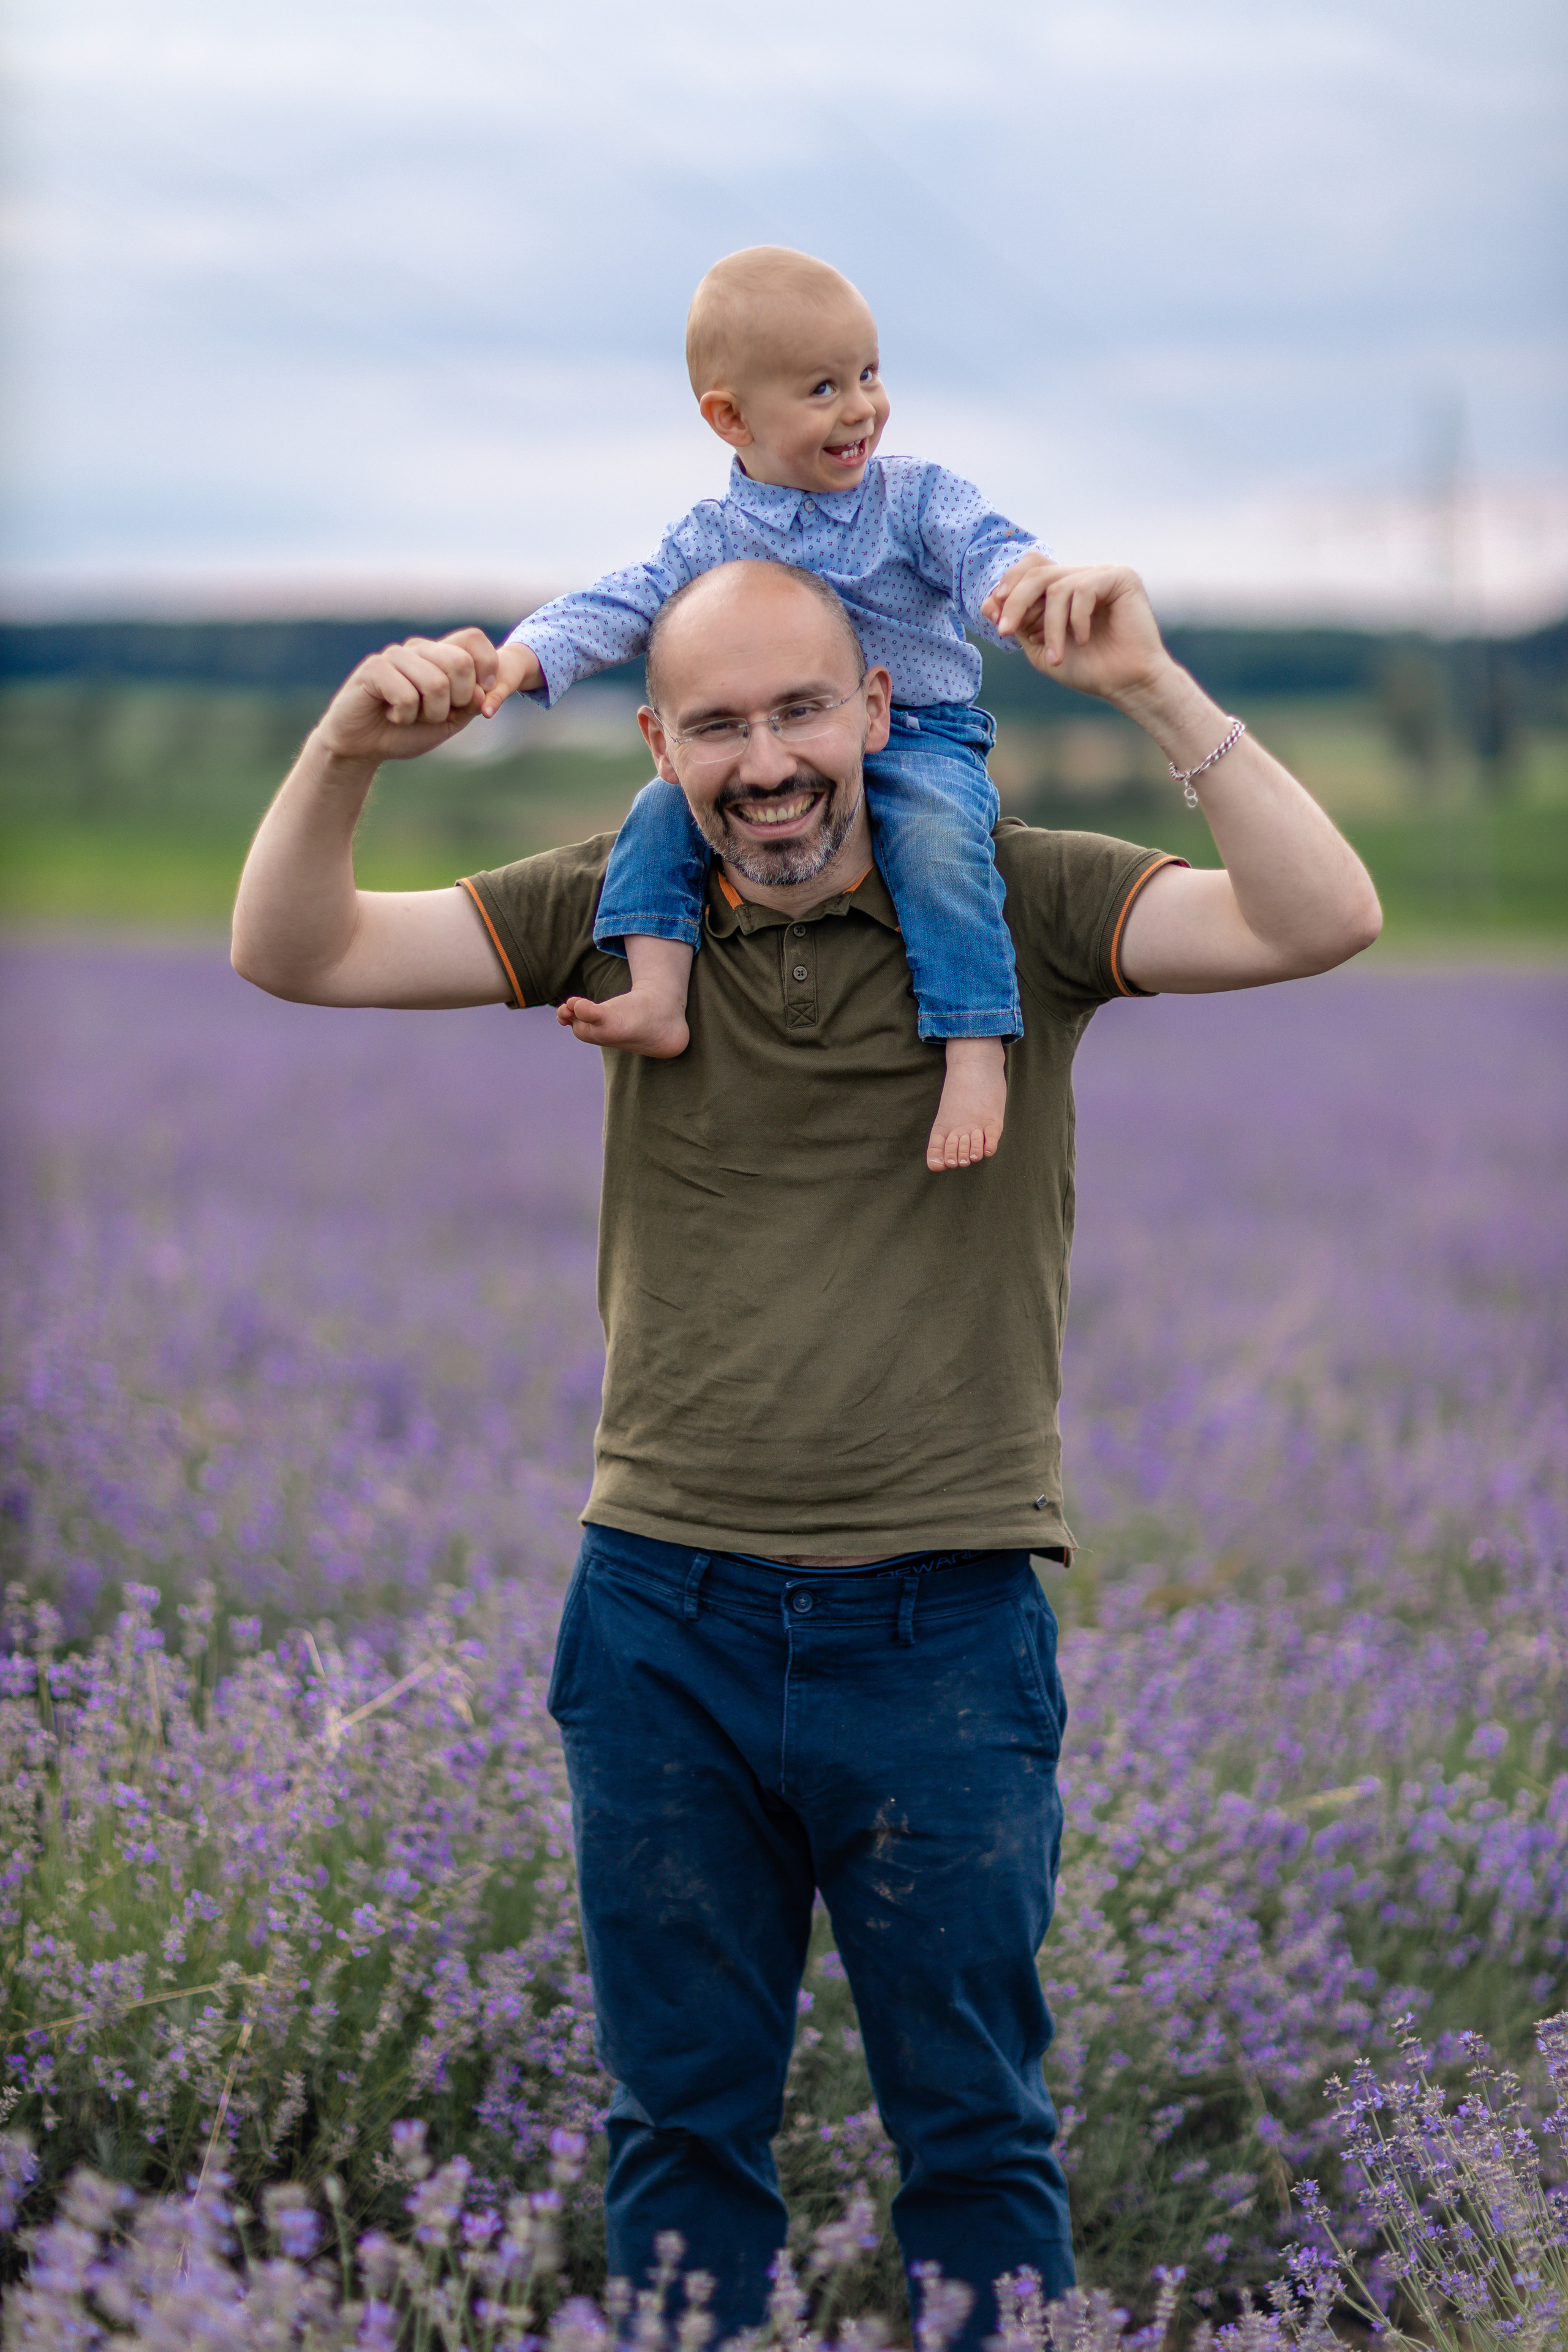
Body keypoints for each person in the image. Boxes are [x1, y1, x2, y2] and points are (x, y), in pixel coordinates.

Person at [231, 556, 1381, 2352]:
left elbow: (1320, 919)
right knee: (678, 2129)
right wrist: (344, 752)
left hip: (939, 1625)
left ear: (872, 711)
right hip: (660, 1624)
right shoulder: (624, 909)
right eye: (716, 726)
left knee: (978, 2135)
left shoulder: (1017, 901)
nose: (763, 763)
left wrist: (1156, 691)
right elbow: (292, 953)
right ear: (658, 743)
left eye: (795, 713)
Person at [475, 246, 1058, 1174]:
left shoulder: (911, 497)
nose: (862, 407)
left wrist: (1025, 585)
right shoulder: (713, 539)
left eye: (869, 374)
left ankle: (976, 1045)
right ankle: (660, 995)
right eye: (824, 388)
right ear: (729, 416)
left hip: (922, 736)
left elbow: (983, 547)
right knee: (658, 813)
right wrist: (521, 658)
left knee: (941, 843)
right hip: (776, 749)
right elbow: (623, 603)